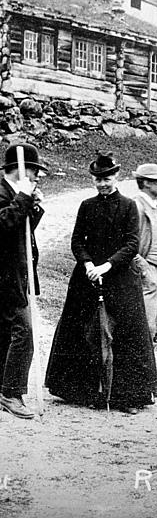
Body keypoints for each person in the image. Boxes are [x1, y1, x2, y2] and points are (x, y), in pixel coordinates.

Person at [46, 153, 157, 414]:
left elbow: (132, 243)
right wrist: (87, 264)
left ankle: (127, 396)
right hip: (88, 277)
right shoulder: (87, 205)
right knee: (81, 329)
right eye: (98, 179)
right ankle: (81, 391)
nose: (102, 184)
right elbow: (77, 240)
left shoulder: (129, 206)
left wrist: (107, 265)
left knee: (126, 331)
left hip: (119, 276)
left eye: (107, 179)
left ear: (116, 177)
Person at [0, 144, 46, 420]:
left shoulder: (16, 194)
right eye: (33, 169)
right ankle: (11, 393)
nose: (37, 175)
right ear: (17, 169)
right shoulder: (2, 192)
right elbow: (3, 224)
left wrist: (33, 205)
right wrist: (23, 198)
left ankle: (3, 389)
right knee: (24, 332)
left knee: (7, 332)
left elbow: (22, 231)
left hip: (15, 275)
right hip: (5, 278)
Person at [133, 163, 157, 399]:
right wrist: (143, 269)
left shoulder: (154, 207)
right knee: (143, 329)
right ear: (146, 182)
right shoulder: (137, 206)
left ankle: (149, 382)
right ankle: (141, 384)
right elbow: (130, 244)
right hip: (146, 272)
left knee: (152, 329)